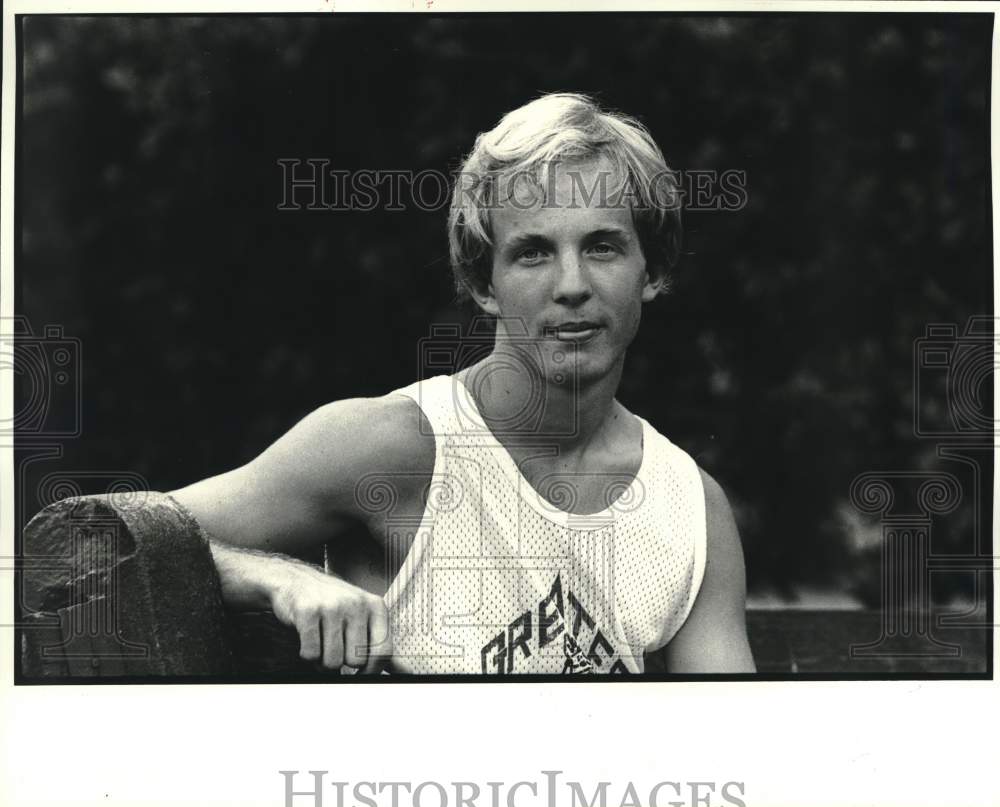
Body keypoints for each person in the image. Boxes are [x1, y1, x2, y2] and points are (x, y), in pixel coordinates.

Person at [171, 93, 755, 675]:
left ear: (650, 271)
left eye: (602, 247)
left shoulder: (690, 506)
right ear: (484, 285)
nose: (572, 285)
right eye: (533, 253)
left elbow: (731, 746)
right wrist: (276, 576)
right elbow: (94, 536)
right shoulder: (394, 447)